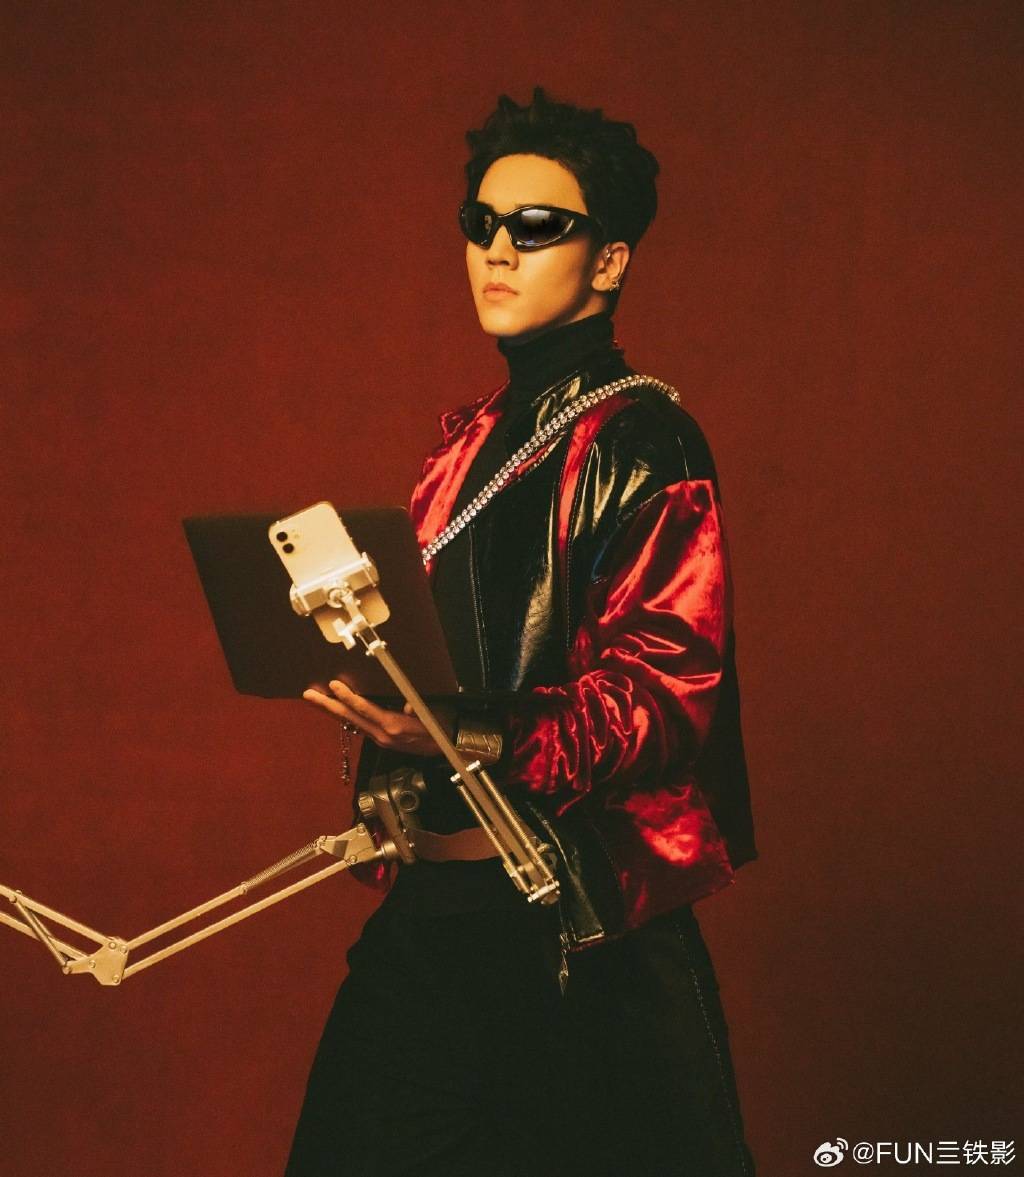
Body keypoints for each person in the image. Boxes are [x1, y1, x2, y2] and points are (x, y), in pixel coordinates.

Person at [285, 88, 757, 1177]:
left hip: (575, 936)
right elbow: (452, 660)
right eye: (481, 222)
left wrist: (464, 729)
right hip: (438, 910)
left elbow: (663, 702)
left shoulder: (646, 440)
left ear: (609, 260)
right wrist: (377, 693)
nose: (498, 249)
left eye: (538, 225)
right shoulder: (467, 446)